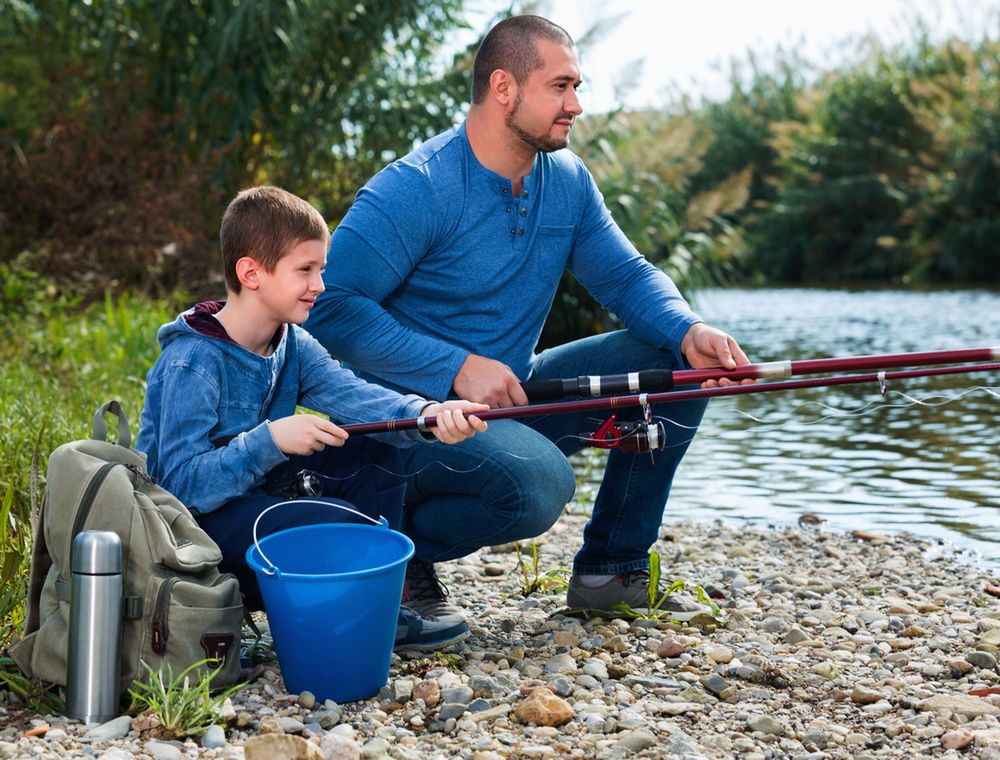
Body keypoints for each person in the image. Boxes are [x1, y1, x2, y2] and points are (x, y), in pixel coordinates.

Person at [305, 15, 752, 623]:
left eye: (576, 87)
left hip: (514, 396)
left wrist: (688, 328)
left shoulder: (567, 181)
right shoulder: (416, 187)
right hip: (404, 423)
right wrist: (455, 368)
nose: (576, 105)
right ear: (504, 88)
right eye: (560, 87)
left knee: (677, 364)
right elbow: (329, 306)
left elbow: (626, 276)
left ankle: (611, 571)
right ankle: (391, 550)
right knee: (540, 484)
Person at [136, 185, 488, 650]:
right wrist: (271, 440)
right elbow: (178, 488)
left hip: (257, 498)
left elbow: (355, 396)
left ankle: (375, 602)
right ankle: (348, 606)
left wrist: (426, 414)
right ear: (251, 273)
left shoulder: (292, 344)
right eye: (305, 270)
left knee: (372, 449)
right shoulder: (193, 362)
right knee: (319, 528)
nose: (320, 285)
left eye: (320, 269)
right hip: (194, 531)